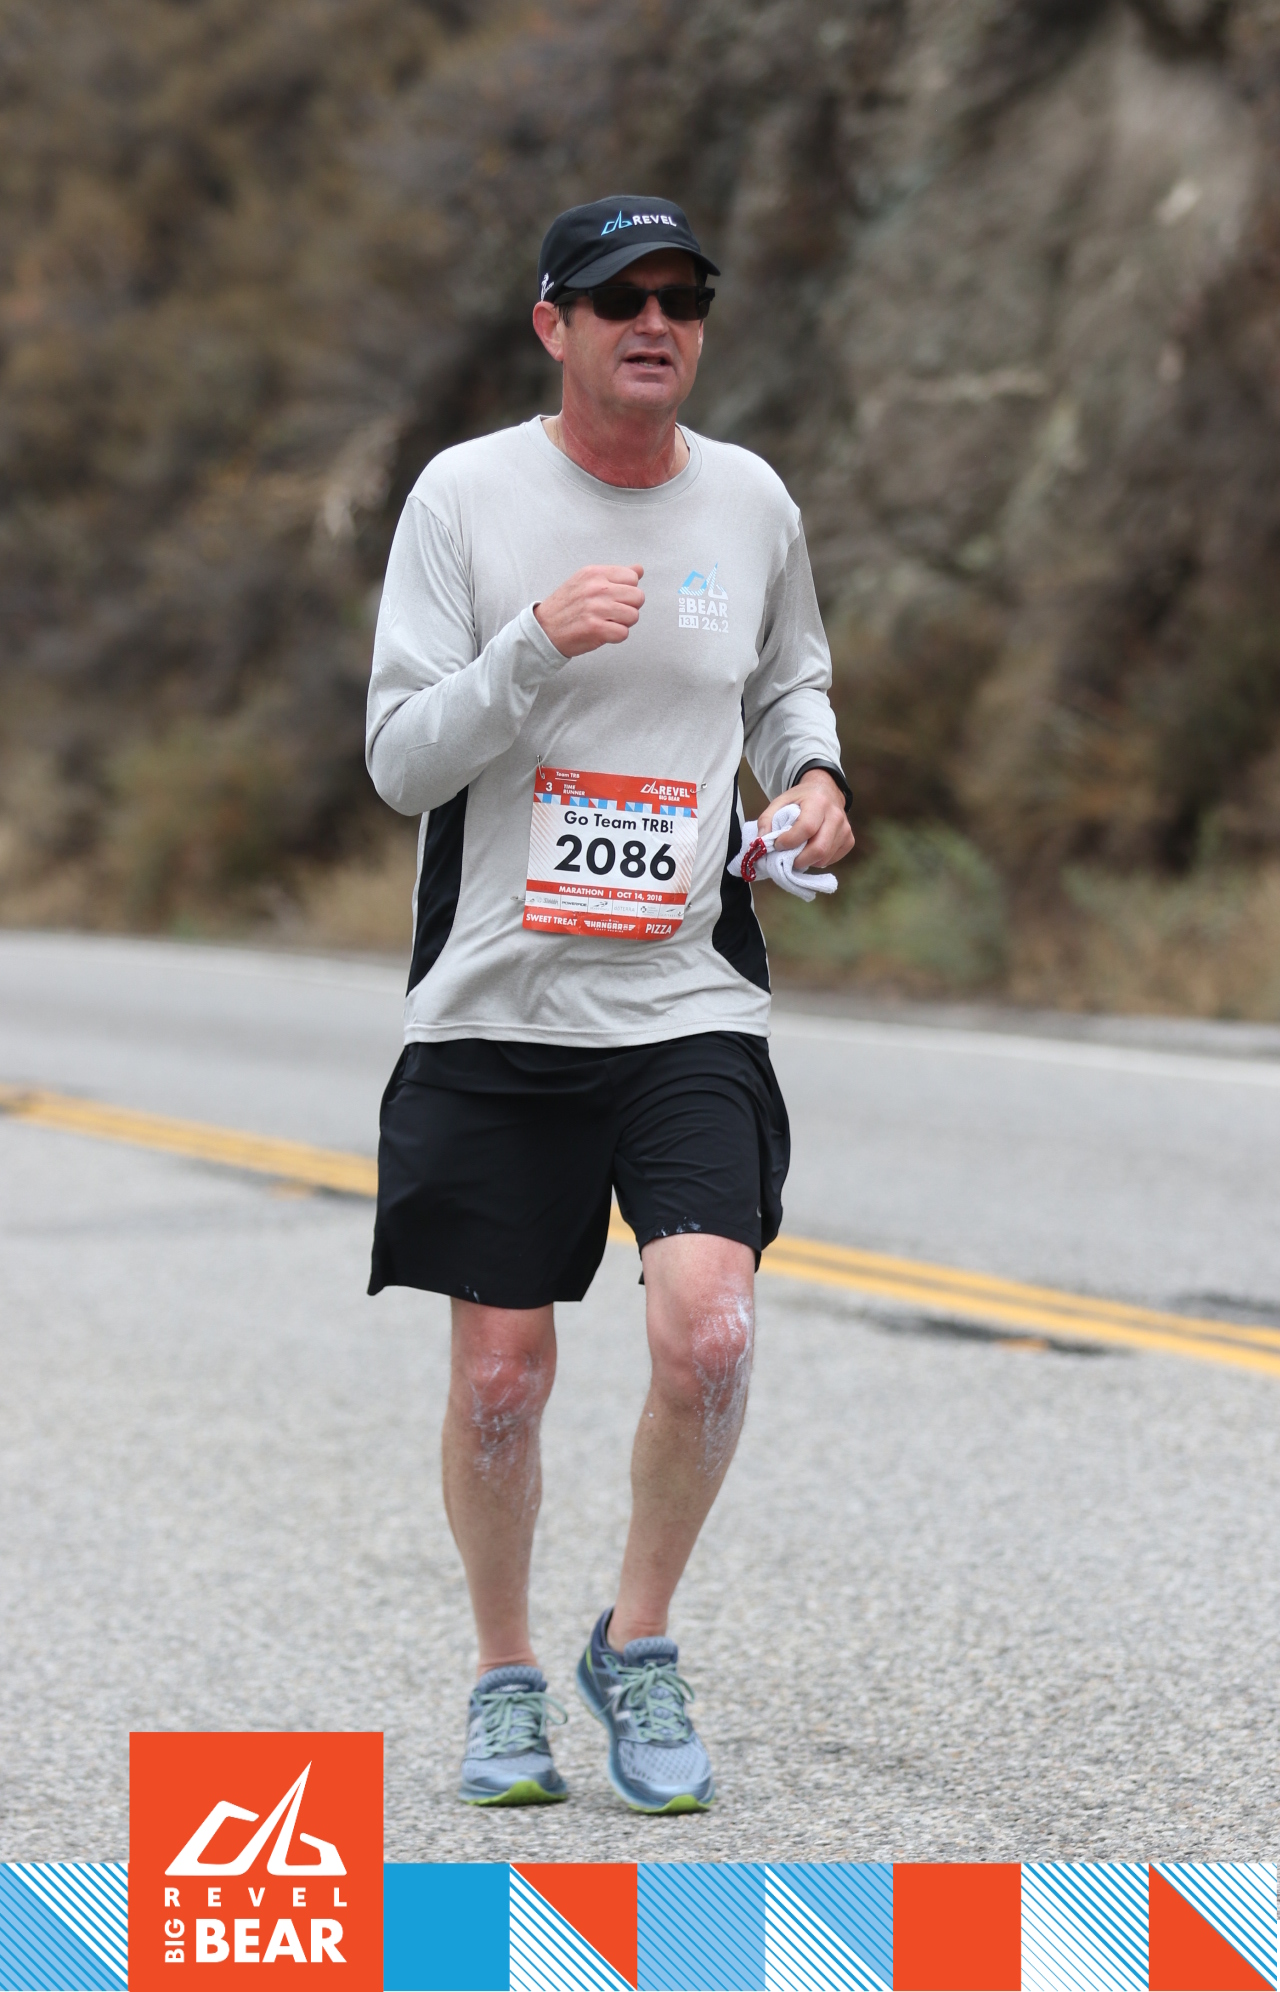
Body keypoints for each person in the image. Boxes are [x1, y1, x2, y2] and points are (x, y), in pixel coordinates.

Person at [365, 194, 854, 1813]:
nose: (655, 321)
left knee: (711, 1330)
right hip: (497, 1005)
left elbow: (788, 682)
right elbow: (400, 762)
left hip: (685, 993)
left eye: (680, 297)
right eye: (618, 296)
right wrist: (529, 645)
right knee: (502, 1380)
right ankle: (505, 1675)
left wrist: (815, 782)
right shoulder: (466, 499)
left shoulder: (750, 502)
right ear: (552, 325)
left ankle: (635, 1644)